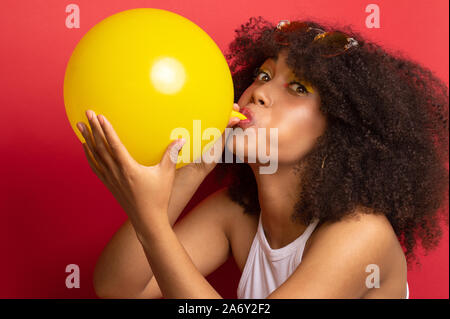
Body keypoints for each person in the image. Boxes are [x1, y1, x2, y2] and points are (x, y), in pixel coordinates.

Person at [77, 17, 449, 299]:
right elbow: (119, 288)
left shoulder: (361, 233)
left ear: (340, 131)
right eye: (263, 75)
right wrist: (194, 167)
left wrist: (150, 219)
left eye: (298, 88)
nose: (259, 93)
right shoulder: (237, 214)